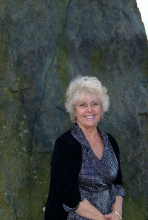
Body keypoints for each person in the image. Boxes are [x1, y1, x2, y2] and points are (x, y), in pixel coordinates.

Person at [45, 76, 125, 220]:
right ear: (74, 111)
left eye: (94, 104)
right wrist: (101, 218)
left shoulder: (111, 142)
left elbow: (118, 183)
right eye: (82, 105)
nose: (89, 110)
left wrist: (117, 214)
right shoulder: (65, 144)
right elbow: (70, 196)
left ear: (101, 109)